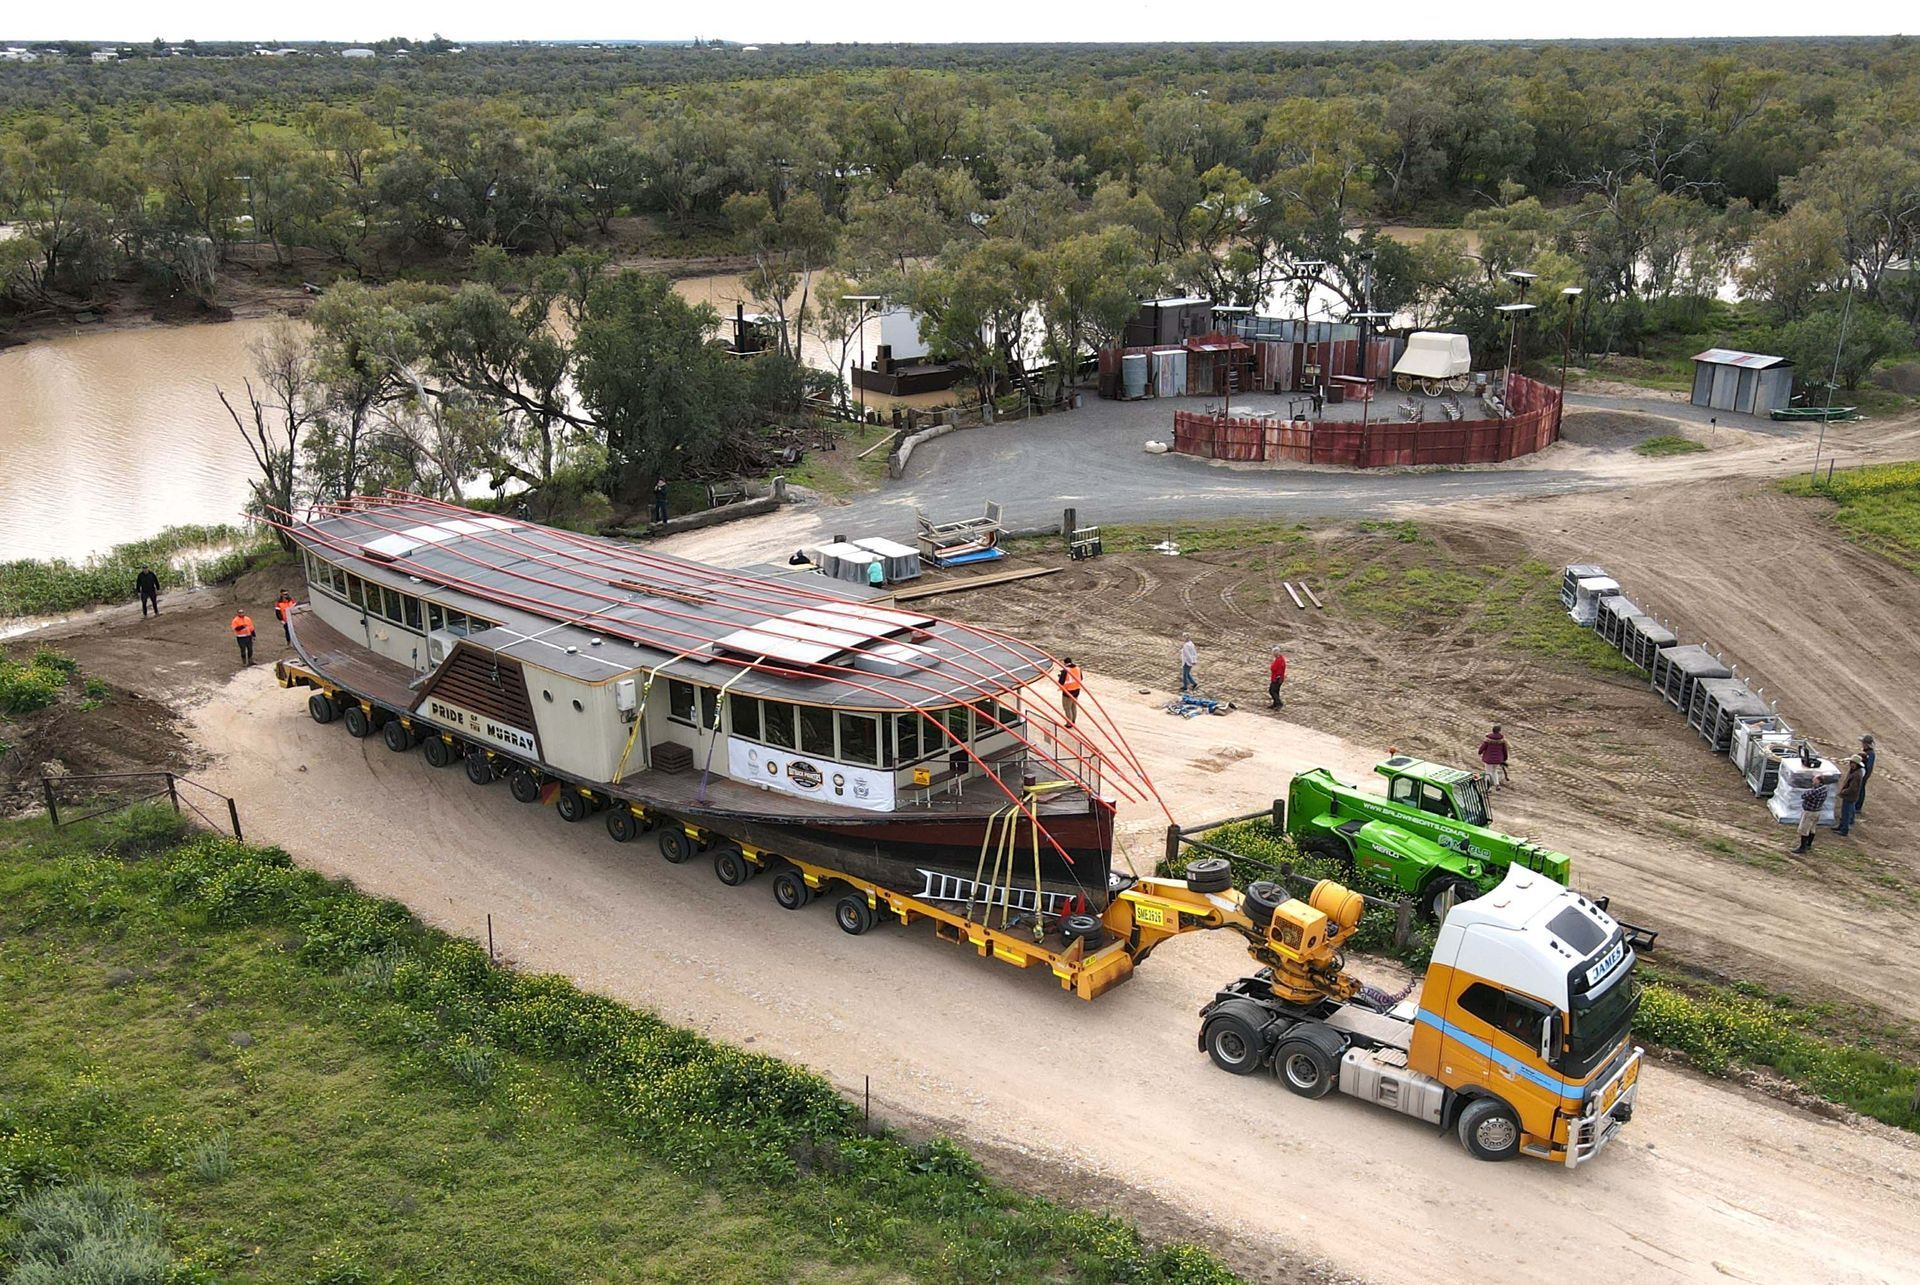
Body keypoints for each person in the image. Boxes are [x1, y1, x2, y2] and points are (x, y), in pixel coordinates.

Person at [1794, 778, 1829, 854]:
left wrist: (1807, 792)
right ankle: (1808, 844)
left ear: (1819, 781)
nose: (1813, 781)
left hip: (1809, 812)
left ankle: (1802, 848)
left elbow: (1804, 795)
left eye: (1814, 779)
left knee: (1804, 829)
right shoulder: (1824, 789)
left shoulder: (1816, 791)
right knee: (1812, 829)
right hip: (1817, 812)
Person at [1835, 755, 1865, 836]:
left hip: (1850, 796)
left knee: (1846, 813)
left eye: (1853, 763)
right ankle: (1841, 826)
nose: (1851, 764)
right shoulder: (1854, 771)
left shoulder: (1856, 774)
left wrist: (1843, 792)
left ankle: (1844, 829)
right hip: (1848, 796)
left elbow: (1853, 788)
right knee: (1845, 811)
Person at [1059, 656, 1084, 725]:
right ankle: (1073, 720)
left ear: (1065, 663)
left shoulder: (1065, 670)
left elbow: (1061, 682)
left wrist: (1060, 676)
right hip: (1076, 690)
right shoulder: (1078, 668)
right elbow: (1081, 678)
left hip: (1068, 691)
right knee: (1073, 706)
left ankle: (1069, 723)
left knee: (1067, 708)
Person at [1857, 735, 1876, 814]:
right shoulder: (1867, 752)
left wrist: (1864, 775)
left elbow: (1869, 766)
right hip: (1863, 773)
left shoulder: (1870, 753)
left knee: (1861, 789)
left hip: (1863, 774)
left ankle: (1858, 806)